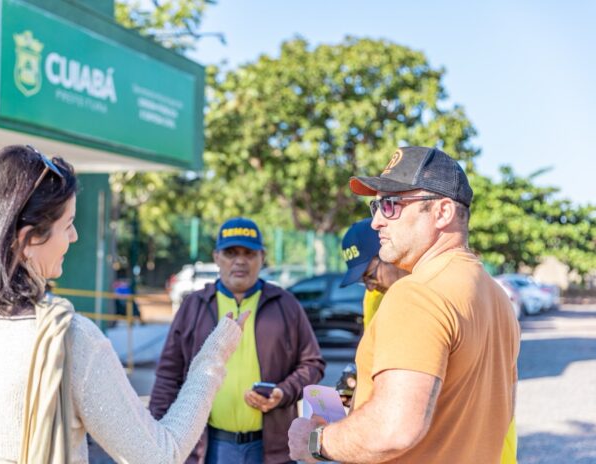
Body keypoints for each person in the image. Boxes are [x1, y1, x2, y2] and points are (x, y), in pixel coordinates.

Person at [0, 144, 249, 464]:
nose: (74, 236)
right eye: (67, 224)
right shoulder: (68, 341)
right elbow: (159, 455)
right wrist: (212, 358)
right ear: (28, 239)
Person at [289, 146, 520, 463]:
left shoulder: (417, 294)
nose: (376, 222)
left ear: (442, 212)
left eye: (391, 205)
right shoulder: (496, 296)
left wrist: (316, 441)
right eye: (376, 206)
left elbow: (394, 429)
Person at [150, 217, 325, 464]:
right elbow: (168, 375)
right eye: (231, 253)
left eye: (249, 253)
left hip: (271, 449)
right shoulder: (194, 306)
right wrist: (157, 433)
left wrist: (282, 392)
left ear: (262, 257)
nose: (240, 261)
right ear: (216, 257)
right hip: (207, 448)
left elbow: (312, 364)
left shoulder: (286, 305)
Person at [337, 218, 408, 406]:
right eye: (364, 281)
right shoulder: (374, 297)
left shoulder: (431, 291)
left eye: (370, 276)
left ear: (391, 253)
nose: (370, 287)